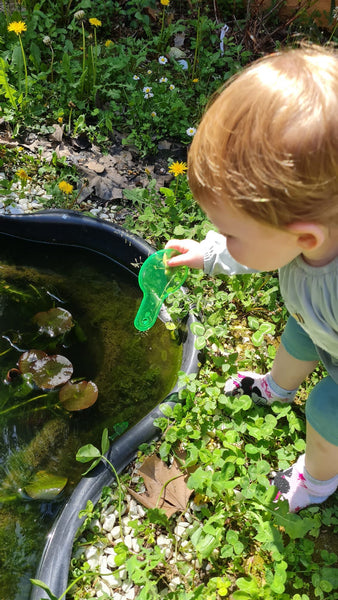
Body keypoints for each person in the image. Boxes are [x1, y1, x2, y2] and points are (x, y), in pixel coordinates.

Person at [165, 44, 338, 513]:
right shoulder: (301, 237)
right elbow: (256, 251)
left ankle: (319, 481)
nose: (224, 239)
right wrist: (210, 253)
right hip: (318, 322)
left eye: (229, 233)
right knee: (299, 334)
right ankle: (277, 388)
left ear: (303, 237)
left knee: (327, 409)